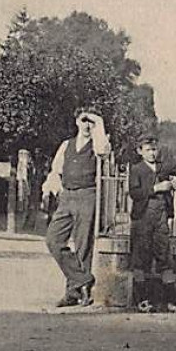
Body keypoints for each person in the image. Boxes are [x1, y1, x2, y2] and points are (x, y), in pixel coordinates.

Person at [45, 108, 110, 308]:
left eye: (91, 121)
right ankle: (83, 279)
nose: (87, 125)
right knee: (53, 240)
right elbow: (56, 171)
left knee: (83, 246)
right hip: (67, 197)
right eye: (84, 120)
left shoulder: (98, 144)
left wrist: (99, 123)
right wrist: (53, 190)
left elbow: (102, 151)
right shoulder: (66, 145)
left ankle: (75, 293)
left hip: (87, 196)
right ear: (76, 122)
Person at [127, 133, 176, 312]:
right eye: (148, 150)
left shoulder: (164, 167)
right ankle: (142, 300)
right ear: (139, 151)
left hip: (161, 217)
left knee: (165, 257)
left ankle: (173, 301)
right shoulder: (136, 169)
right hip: (142, 218)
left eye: (154, 149)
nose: (152, 153)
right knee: (141, 259)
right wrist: (156, 188)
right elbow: (134, 193)